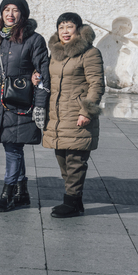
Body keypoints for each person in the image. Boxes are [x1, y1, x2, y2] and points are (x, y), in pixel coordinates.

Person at [0, 0, 50, 212]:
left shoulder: (34, 39)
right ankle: (22, 192)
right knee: (12, 146)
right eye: (6, 9)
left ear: (23, 14)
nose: (10, 14)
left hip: (22, 102)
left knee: (13, 148)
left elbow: (43, 74)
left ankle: (8, 192)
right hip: (0, 102)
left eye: (15, 10)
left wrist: (40, 105)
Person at [41, 13, 104, 217]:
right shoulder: (56, 54)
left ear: (79, 29)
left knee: (75, 161)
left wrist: (87, 111)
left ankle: (71, 203)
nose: (65, 32)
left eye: (69, 27)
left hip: (77, 115)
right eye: (61, 27)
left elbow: (96, 85)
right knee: (62, 159)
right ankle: (75, 201)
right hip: (57, 116)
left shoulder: (90, 53)